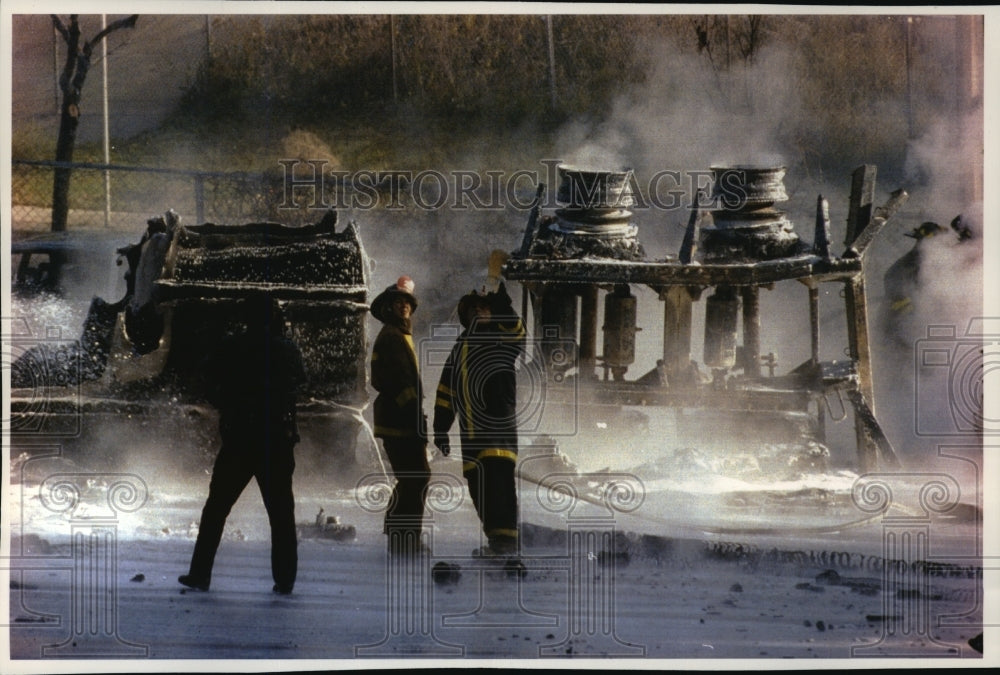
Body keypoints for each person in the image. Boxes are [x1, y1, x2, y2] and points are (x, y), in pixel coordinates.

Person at [179, 294, 305, 594]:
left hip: (240, 438)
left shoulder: (231, 346)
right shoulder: (286, 349)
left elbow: (207, 380)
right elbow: (299, 383)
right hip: (275, 440)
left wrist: (226, 404)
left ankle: (200, 574)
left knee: (216, 509)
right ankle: (285, 579)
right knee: (281, 514)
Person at [433, 283, 526, 556]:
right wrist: (441, 429)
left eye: (483, 307)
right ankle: (495, 539)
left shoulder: (502, 338)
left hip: (497, 429)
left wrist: (503, 307)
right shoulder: (460, 347)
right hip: (471, 433)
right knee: (478, 487)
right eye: (472, 309)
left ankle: (507, 542)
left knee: (499, 485)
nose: (478, 311)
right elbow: (446, 391)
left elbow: (517, 330)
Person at [370, 276, 430, 555]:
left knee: (411, 478)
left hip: (399, 420)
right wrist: (412, 414)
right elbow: (392, 381)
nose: (404, 306)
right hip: (399, 421)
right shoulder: (392, 336)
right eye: (398, 302)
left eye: (407, 302)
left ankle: (400, 536)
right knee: (417, 477)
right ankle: (406, 540)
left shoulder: (399, 335)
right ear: (389, 307)